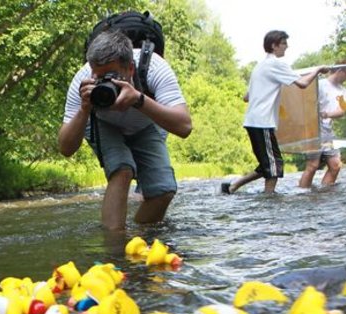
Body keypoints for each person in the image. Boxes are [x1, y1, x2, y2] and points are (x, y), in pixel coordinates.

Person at [58, 30, 191, 231]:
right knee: (122, 170)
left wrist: (138, 99)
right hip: (103, 124)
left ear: (130, 68)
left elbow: (184, 126)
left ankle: (139, 240)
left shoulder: (154, 68)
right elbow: (66, 148)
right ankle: (114, 250)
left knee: (163, 190)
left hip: (144, 123)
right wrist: (85, 108)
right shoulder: (82, 80)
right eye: (98, 75)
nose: (102, 81)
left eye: (111, 76)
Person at [222, 30, 327, 195]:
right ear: (274, 45)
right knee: (274, 165)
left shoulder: (259, 66)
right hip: (262, 122)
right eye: (284, 43)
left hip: (253, 121)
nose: (287, 46)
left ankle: (233, 186)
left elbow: (246, 97)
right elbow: (303, 83)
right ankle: (269, 201)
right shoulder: (276, 64)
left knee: (268, 164)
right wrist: (318, 70)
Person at [298, 64, 346, 188]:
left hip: (328, 131)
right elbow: (305, 103)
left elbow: (342, 110)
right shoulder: (320, 84)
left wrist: (328, 114)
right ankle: (303, 194)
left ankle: (324, 195)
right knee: (313, 165)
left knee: (335, 165)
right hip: (313, 128)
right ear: (340, 71)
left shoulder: (343, 90)